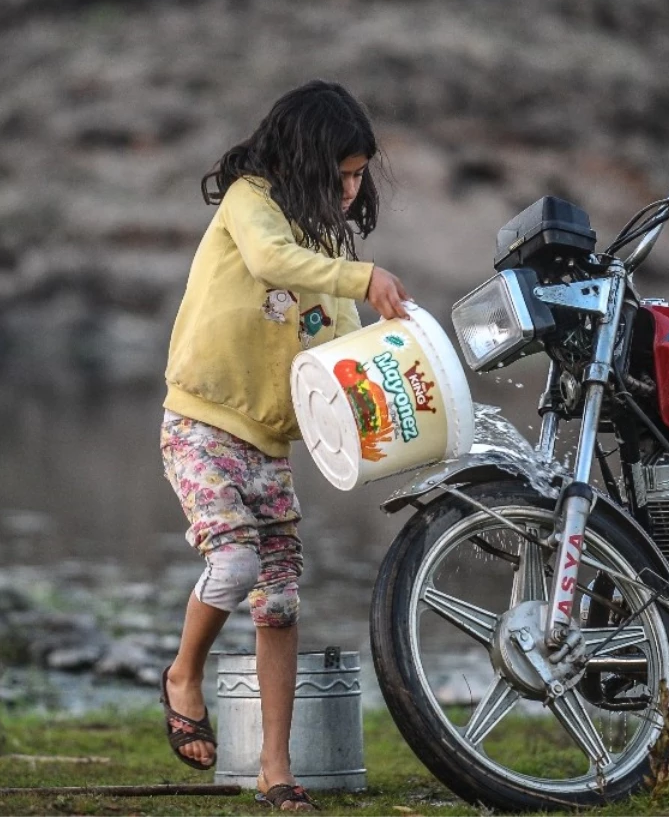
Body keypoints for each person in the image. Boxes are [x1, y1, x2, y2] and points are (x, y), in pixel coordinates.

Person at [157, 80, 409, 811]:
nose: (353, 188)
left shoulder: (327, 246)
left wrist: (392, 364)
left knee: (281, 604)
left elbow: (334, 350)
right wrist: (363, 275)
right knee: (233, 562)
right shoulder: (249, 202)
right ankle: (183, 673)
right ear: (303, 159)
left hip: (269, 447)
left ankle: (275, 767)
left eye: (360, 174)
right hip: (201, 424)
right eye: (343, 174)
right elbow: (269, 261)